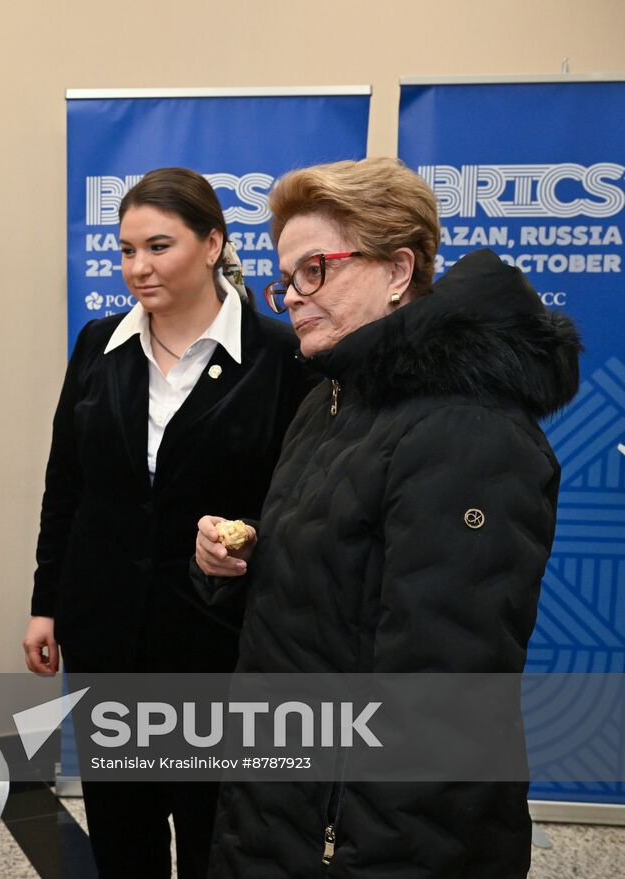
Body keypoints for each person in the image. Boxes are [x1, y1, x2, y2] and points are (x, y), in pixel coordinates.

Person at [194, 157, 580, 878]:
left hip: (359, 843)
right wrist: (231, 565)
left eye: (316, 270)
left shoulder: (470, 433)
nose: (294, 298)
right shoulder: (329, 402)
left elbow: (442, 713)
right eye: (285, 280)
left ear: (399, 270)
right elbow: (324, 600)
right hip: (278, 805)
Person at [24, 168, 315, 878]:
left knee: (214, 821)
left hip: (217, 636)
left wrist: (243, 531)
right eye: (125, 250)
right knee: (122, 823)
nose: (137, 268)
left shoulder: (280, 357)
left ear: (213, 242)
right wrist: (45, 602)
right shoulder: (99, 345)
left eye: (158, 245)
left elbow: (301, 500)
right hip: (106, 628)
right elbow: (67, 483)